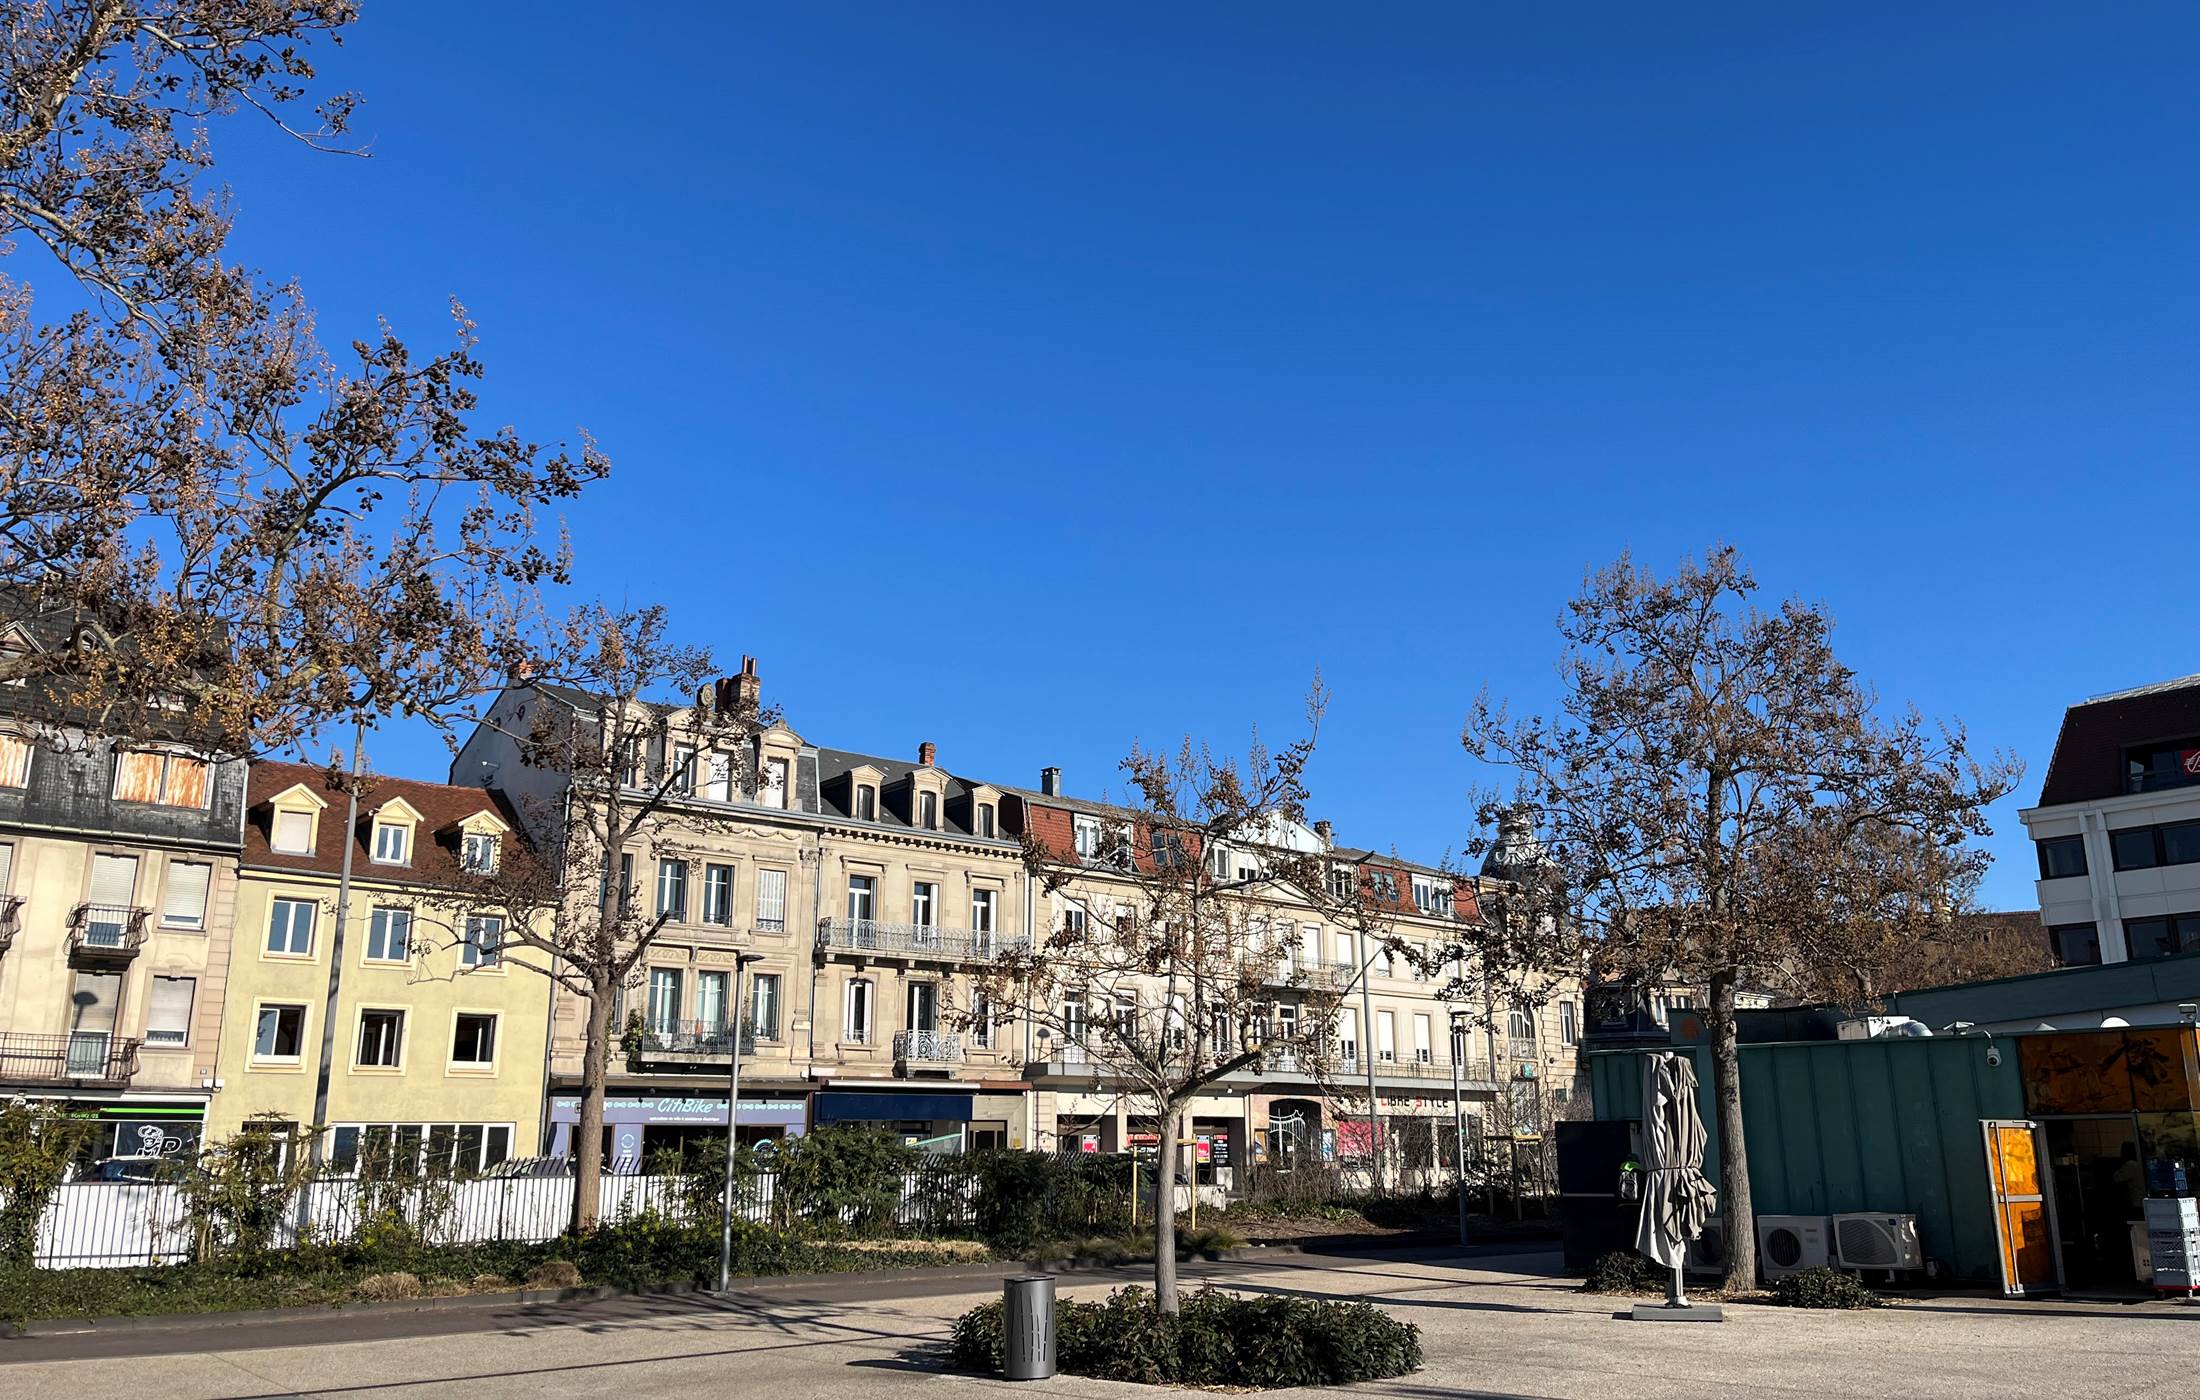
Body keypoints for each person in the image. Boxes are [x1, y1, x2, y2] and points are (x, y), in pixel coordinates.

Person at [2113, 1142, 2147, 1216]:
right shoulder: (2141, 1163)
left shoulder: (2131, 1165)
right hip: (2143, 1202)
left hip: (2137, 1203)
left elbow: (2117, 1178)